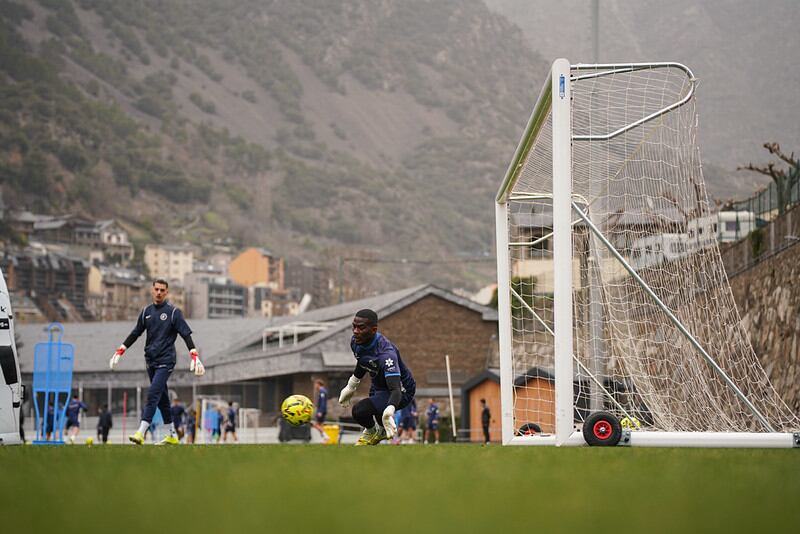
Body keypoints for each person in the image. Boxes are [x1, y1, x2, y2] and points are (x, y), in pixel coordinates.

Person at [108, 278, 205, 445]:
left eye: (162, 290)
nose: (159, 292)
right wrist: (120, 350)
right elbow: (135, 333)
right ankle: (172, 435)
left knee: (153, 393)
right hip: (150, 361)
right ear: (152, 290)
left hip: (166, 360)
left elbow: (186, 335)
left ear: (166, 292)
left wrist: (194, 356)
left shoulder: (174, 313)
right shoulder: (146, 312)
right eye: (157, 289)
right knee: (163, 399)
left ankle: (141, 432)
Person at [338, 309, 416, 446]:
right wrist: (351, 385)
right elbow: (363, 362)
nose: (356, 331)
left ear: (374, 330)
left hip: (401, 389)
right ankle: (376, 431)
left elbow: (395, 389)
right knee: (377, 415)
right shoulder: (356, 342)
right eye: (354, 326)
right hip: (378, 385)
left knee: (359, 411)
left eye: (361, 327)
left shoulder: (386, 354)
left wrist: (390, 409)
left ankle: (373, 432)